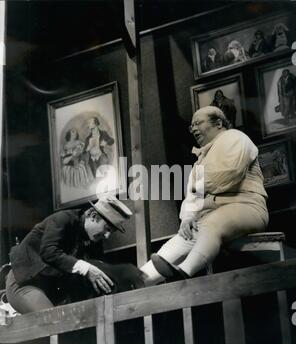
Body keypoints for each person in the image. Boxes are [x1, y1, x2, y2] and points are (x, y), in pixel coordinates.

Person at [140, 106, 269, 285]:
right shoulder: (201, 161)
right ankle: (134, 283)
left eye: (198, 123)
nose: (193, 128)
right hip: (209, 216)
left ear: (218, 123)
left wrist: (199, 191)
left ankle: (184, 272)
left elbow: (226, 176)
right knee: (176, 243)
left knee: (212, 224)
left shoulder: (235, 138)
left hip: (247, 208)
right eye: (191, 126)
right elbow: (192, 197)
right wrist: (187, 218)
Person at [5, 195, 144, 314]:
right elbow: (48, 252)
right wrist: (86, 268)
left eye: (111, 232)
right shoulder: (63, 219)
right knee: (54, 322)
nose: (107, 236)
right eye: (106, 229)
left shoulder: (88, 237)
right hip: (23, 283)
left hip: (50, 288)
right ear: (93, 216)